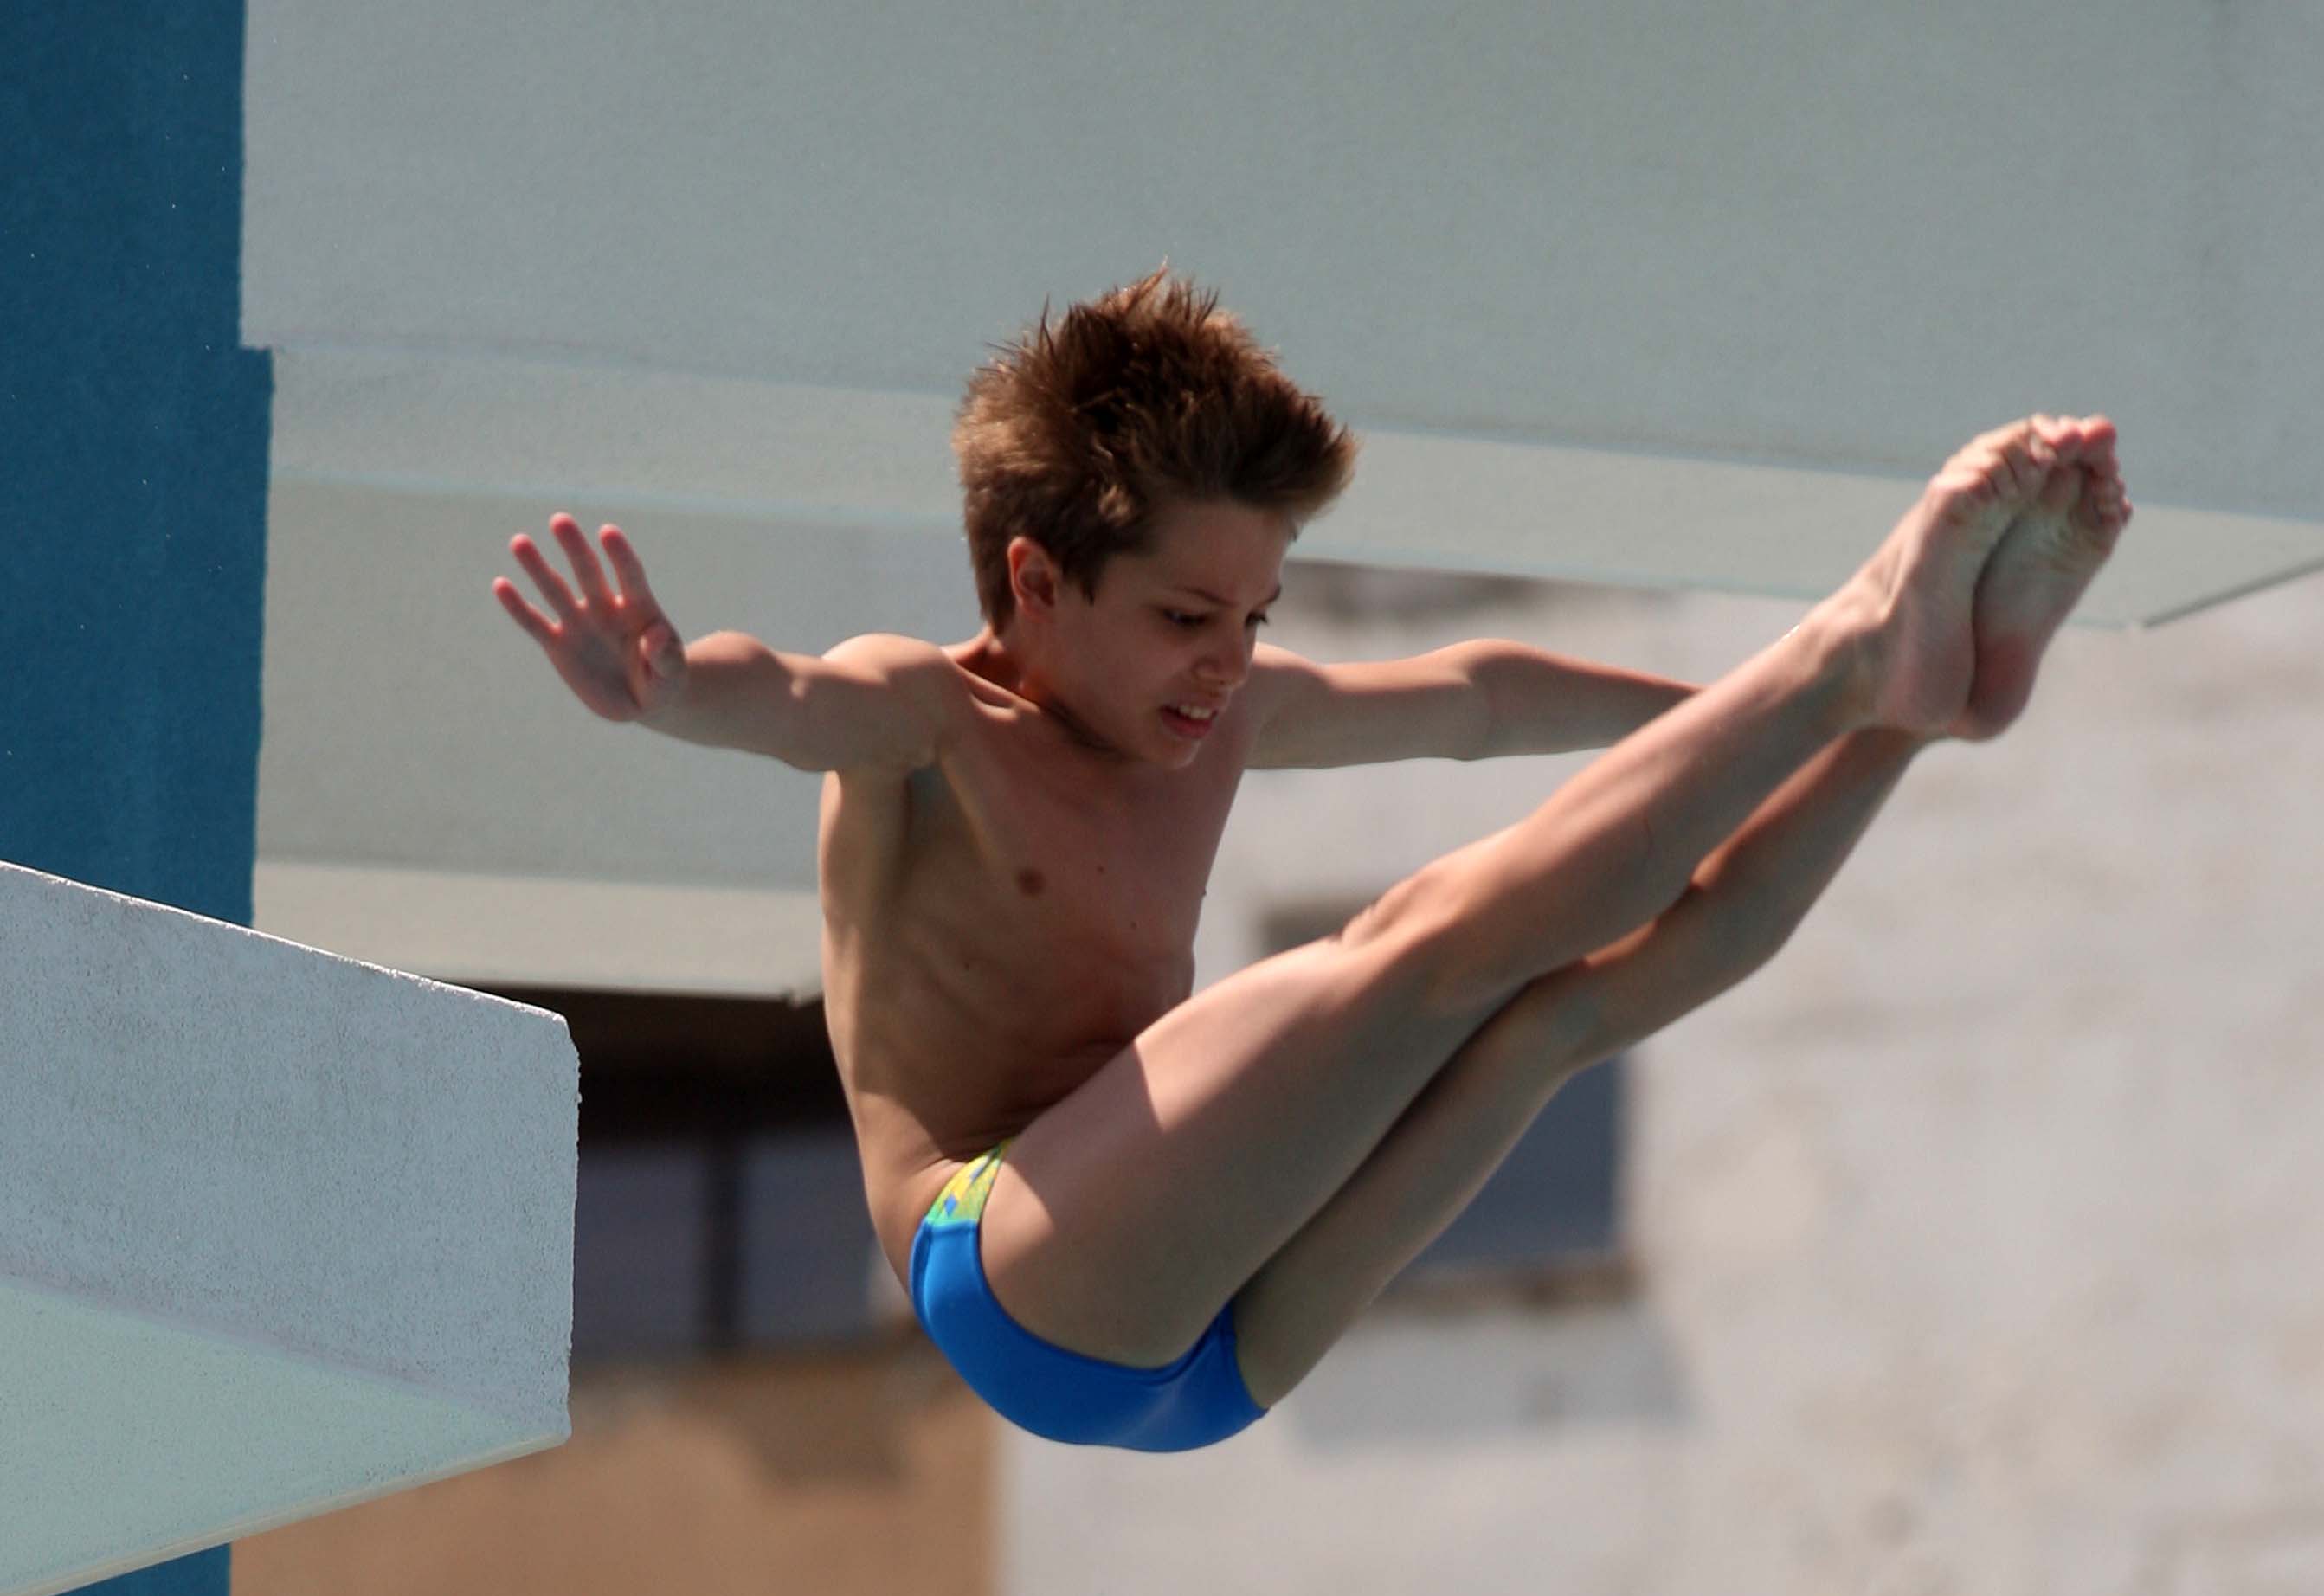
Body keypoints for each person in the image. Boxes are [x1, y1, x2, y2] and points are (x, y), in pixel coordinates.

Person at [492, 267, 2132, 1452]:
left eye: (1255, 617)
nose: (1226, 666)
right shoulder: (932, 725)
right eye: (1185, 618)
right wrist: (661, 689)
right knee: (1418, 948)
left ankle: (1904, 721)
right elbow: (785, 698)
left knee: (1554, 1019)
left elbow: (1481, 699)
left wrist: (1750, 719)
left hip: (1207, 1340)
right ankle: (1865, 652)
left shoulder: (1220, 716)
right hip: (1012, 1275)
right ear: (1035, 582)